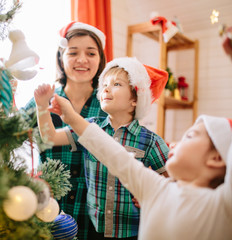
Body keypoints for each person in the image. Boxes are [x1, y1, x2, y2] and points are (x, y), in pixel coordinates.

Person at [41, 27, 232, 240]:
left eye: (190, 136)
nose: (176, 144)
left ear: (217, 157)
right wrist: (67, 116)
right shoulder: (155, 189)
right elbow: (111, 152)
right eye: (105, 86)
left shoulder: (227, 207)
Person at [34, 57, 170, 239]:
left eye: (117, 84)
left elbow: (174, 179)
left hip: (132, 232)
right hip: (93, 230)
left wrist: (155, 195)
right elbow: (49, 137)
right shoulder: (88, 127)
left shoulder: (149, 140)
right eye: (104, 84)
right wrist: (41, 106)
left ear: (136, 99)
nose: (106, 88)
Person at [21, 21, 108, 239]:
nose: (82, 60)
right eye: (73, 52)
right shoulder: (43, 99)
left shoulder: (109, 103)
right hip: (47, 211)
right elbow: (9, 132)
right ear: (61, 57)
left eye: (91, 53)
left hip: (96, 217)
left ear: (100, 60)